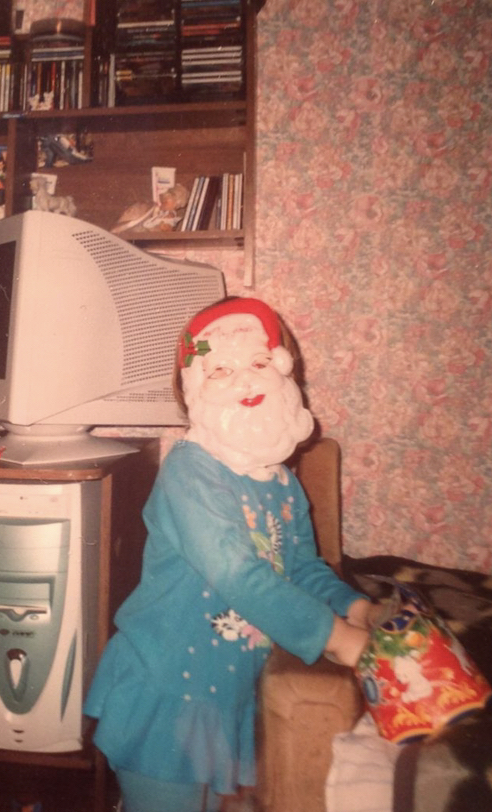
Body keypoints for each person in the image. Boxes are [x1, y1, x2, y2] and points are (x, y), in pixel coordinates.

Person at [84, 297, 374, 812]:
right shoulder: (189, 471)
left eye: (259, 362)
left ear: (284, 374)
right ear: (193, 390)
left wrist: (354, 607)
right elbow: (237, 573)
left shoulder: (282, 482)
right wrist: (338, 638)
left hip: (224, 695)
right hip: (165, 692)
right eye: (222, 369)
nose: (245, 380)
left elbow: (302, 567)